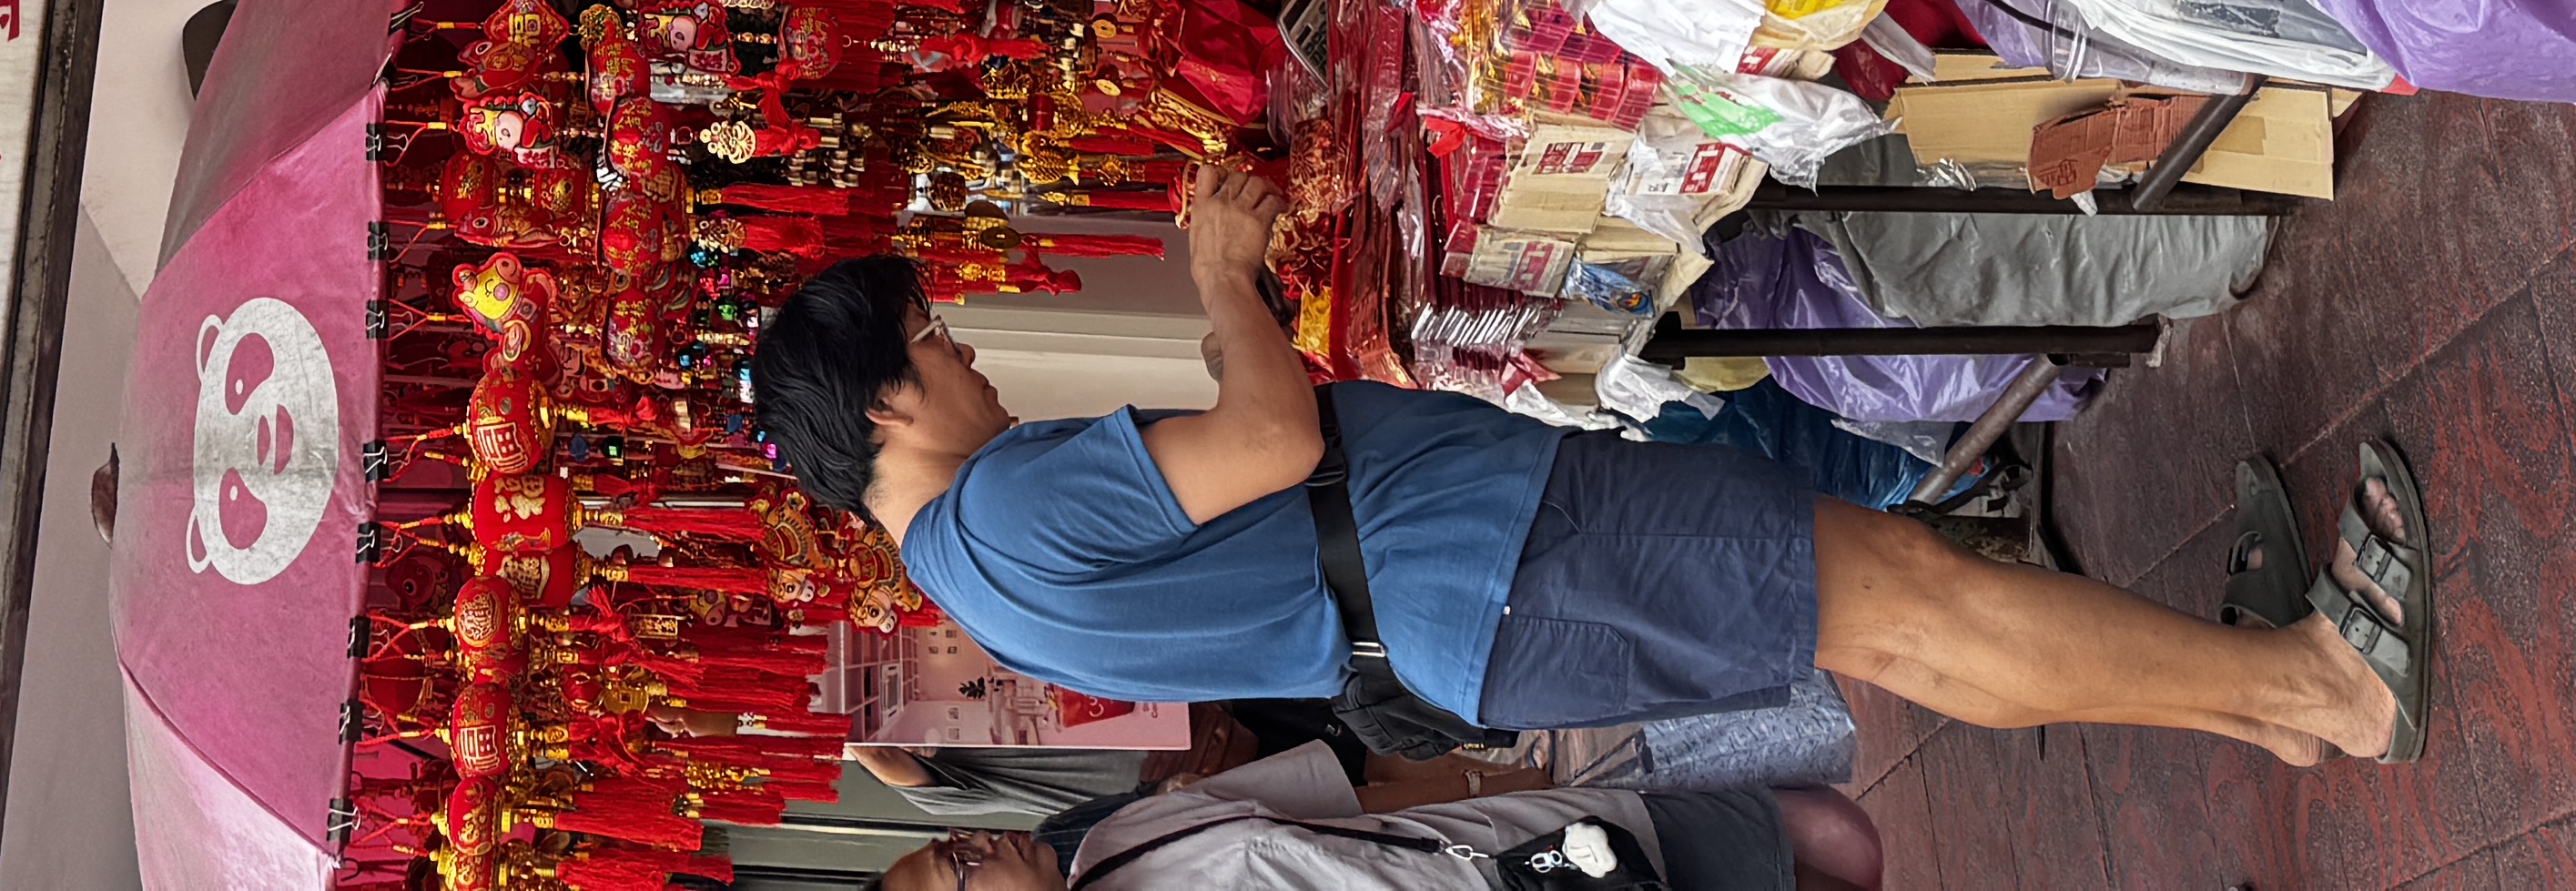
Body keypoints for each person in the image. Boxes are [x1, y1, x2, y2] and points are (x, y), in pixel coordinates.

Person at [751, 170, 2426, 777]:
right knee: (1909, 604)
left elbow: (1233, 505)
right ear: (884, 396)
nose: (966, 343)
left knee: (1885, 613)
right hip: (1484, 561)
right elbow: (1265, 440)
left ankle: (2257, 697)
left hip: (1454, 610)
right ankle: (2324, 685)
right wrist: (1218, 276)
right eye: (934, 333)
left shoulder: (964, 578)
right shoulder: (997, 509)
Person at [862, 739, 1863, 891]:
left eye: (945, 840)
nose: (970, 844)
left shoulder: (1120, 838)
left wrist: (1488, 784)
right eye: (957, 871)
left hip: (1546, 847)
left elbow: (1355, 798)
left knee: (1828, 834)